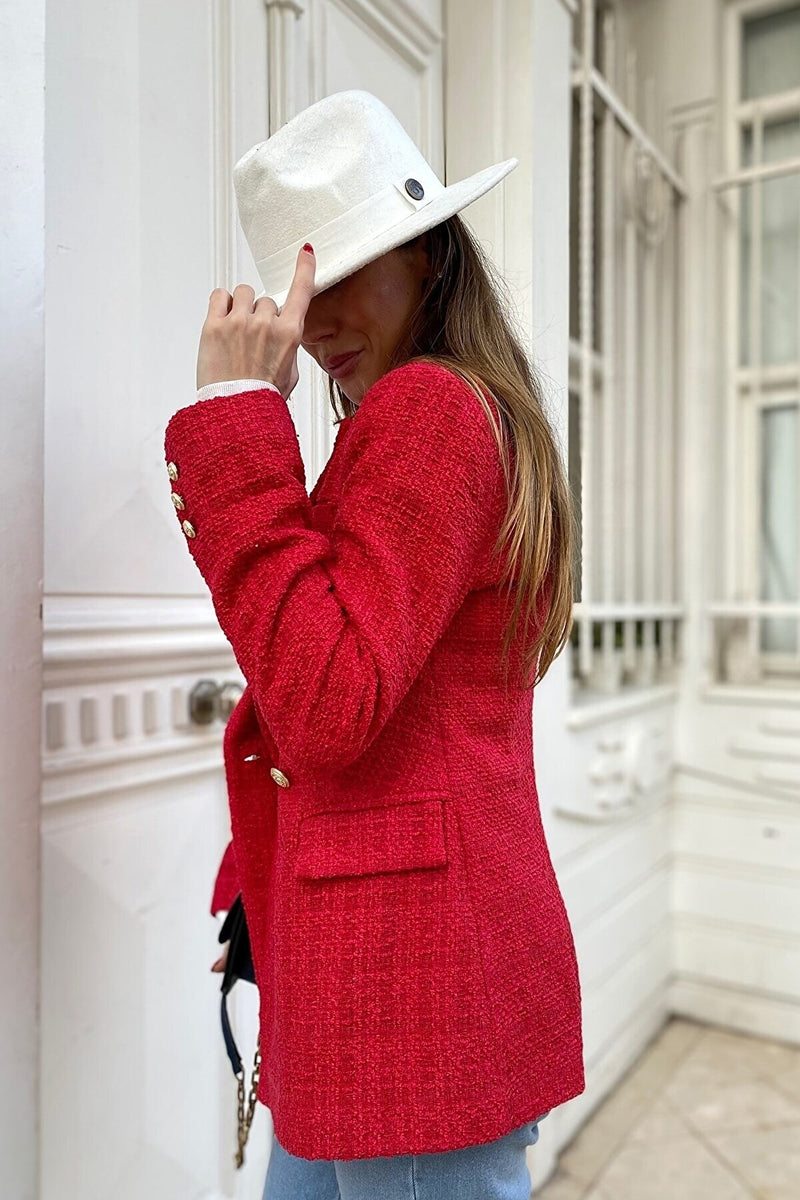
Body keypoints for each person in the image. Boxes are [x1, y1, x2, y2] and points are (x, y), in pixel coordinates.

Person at [165, 89, 584, 1200]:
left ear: (432, 257)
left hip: (410, 977)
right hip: (378, 954)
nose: (321, 316)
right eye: (305, 284)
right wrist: (265, 893)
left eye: (349, 269)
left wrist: (231, 420)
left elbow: (328, 698)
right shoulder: (459, 409)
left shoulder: (430, 410)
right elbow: (376, 706)